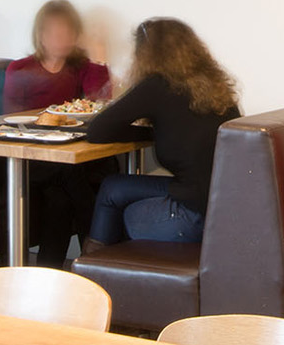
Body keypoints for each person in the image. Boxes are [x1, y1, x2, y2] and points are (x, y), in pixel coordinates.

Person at [80, 18, 239, 248]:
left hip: (192, 218)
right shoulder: (215, 87)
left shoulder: (157, 85)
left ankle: (97, 272)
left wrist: (147, 133)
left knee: (125, 212)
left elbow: (97, 131)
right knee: (112, 187)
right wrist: (154, 132)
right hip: (219, 210)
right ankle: (96, 268)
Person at [4, 0, 114, 265]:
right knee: (70, 174)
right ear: (40, 35)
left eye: (68, 32)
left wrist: (98, 56)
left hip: (68, 156)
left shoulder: (80, 68)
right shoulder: (20, 69)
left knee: (60, 201)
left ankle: (47, 275)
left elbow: (99, 103)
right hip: (30, 157)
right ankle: (98, 253)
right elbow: (10, 117)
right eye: (54, 31)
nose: (61, 38)